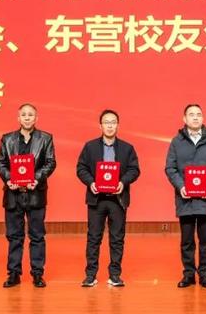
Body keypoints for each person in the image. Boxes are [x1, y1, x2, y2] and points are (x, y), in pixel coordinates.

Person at [76, 109, 141, 287]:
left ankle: (115, 275)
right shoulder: (90, 147)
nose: (110, 126)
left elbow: (134, 170)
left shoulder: (127, 148)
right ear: (100, 126)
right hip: (96, 199)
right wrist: (91, 182)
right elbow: (81, 168)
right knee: (93, 238)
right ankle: (90, 275)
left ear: (117, 125)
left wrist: (123, 182)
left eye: (113, 122)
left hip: (118, 199)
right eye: (106, 122)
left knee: (117, 238)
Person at [164, 104, 206, 289]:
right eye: (191, 115)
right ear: (184, 119)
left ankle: (204, 275)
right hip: (185, 200)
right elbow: (170, 168)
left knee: (205, 241)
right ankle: (189, 274)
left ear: (203, 118)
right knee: (187, 241)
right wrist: (181, 186)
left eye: (199, 114)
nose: (195, 117)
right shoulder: (176, 142)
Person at [0, 103, 57, 288]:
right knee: (14, 236)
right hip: (13, 193)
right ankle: (14, 273)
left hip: (35, 193)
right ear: (18, 118)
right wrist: (8, 179)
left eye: (31, 115)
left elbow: (50, 162)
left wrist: (36, 178)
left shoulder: (45, 138)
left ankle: (37, 273)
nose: (27, 117)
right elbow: (0, 163)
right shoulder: (7, 139)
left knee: (37, 235)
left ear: (36, 118)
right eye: (24, 114)